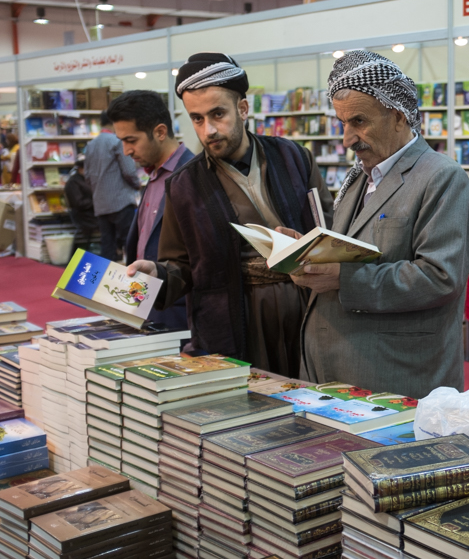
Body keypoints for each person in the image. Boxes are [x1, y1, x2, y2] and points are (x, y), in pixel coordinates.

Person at [127, 53, 333, 377]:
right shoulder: (183, 185)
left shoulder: (293, 157)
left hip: (308, 309)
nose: (208, 130)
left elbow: (328, 227)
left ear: (243, 108)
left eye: (218, 114)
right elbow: (181, 265)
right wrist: (157, 271)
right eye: (197, 119)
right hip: (234, 320)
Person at [290, 50, 469, 400]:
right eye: (342, 123)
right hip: (333, 369)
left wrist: (342, 278)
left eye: (359, 121)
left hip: (393, 374)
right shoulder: (359, 178)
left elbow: (440, 278)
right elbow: (351, 250)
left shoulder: (442, 178)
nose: (347, 139)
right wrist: (305, 251)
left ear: (398, 116)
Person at [107, 91, 195, 331]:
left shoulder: (194, 177)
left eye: (131, 140)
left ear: (160, 132)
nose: (126, 150)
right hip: (147, 307)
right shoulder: (155, 175)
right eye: (122, 141)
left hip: (178, 312)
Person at [84, 111, 141, 260]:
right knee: (129, 242)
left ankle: (106, 274)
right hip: (120, 201)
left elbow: (87, 176)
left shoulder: (90, 145)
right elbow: (128, 171)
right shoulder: (117, 141)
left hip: (100, 203)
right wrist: (138, 184)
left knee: (107, 243)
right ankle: (131, 274)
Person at [64, 156, 99, 250]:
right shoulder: (73, 182)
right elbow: (78, 203)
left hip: (92, 213)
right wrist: (97, 201)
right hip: (84, 216)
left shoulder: (87, 179)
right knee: (109, 223)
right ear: (80, 169)